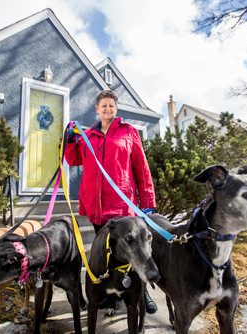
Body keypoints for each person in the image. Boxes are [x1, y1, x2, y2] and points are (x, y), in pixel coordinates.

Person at [64, 89, 158, 314]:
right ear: (97, 109)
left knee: (134, 251)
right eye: (103, 106)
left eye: (111, 106)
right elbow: (73, 158)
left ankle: (141, 292)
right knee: (107, 255)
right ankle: (113, 295)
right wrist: (70, 140)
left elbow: (141, 168)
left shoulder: (128, 132)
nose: (107, 109)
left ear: (116, 109)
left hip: (122, 204)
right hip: (97, 206)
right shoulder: (89, 135)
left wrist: (147, 200)